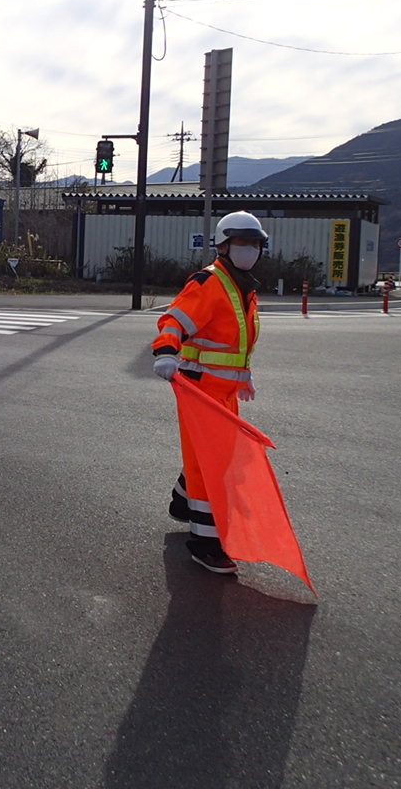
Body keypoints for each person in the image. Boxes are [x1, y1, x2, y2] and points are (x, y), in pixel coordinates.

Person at [151, 210, 268, 574]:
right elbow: (174, 320)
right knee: (212, 466)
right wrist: (167, 351)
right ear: (224, 245)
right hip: (200, 390)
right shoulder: (210, 283)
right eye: (241, 243)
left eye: (254, 243)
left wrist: (242, 376)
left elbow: (235, 341)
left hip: (225, 390)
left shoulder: (242, 287)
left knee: (218, 457)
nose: (249, 249)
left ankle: (182, 502)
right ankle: (206, 543)